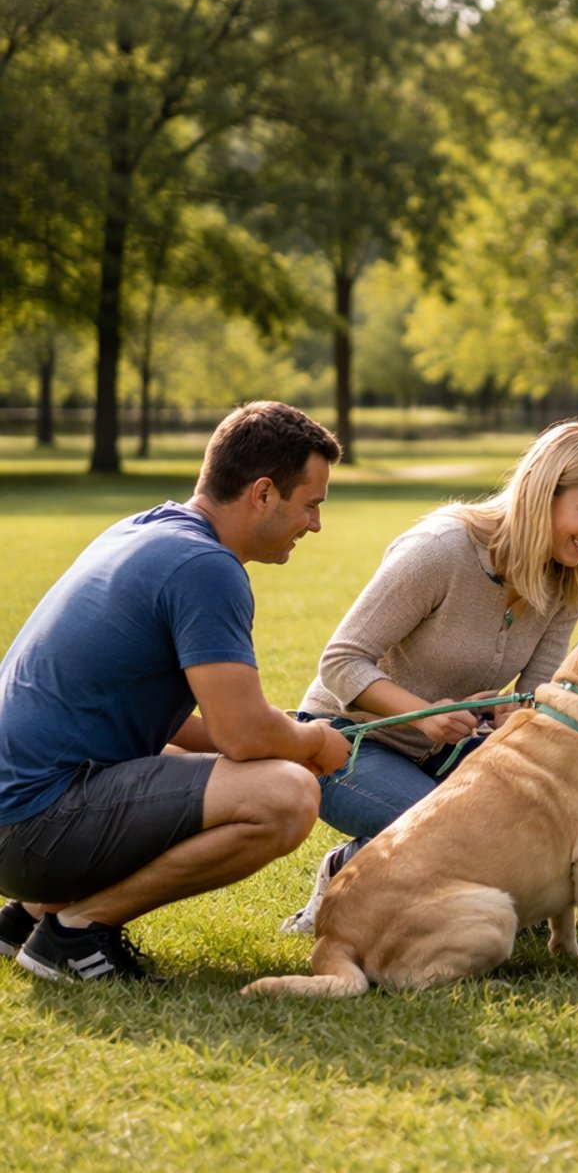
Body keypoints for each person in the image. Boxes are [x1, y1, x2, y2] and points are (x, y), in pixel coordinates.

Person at [0, 402, 350, 982]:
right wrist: (310, 740)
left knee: (222, 762)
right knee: (285, 795)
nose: (314, 524)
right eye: (310, 505)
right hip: (30, 825)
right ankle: (76, 933)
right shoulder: (205, 567)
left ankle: (28, 916)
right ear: (263, 493)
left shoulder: (145, 528)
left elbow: (168, 721)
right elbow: (243, 736)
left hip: (18, 813)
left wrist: (279, 734)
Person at [279, 420, 578, 933]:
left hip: (452, 747)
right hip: (345, 742)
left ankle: (509, 889)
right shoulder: (441, 549)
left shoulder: (567, 579)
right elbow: (340, 662)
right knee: (447, 832)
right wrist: (426, 718)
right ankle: (344, 871)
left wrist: (513, 713)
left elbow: (534, 695)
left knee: (547, 812)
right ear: (542, 494)